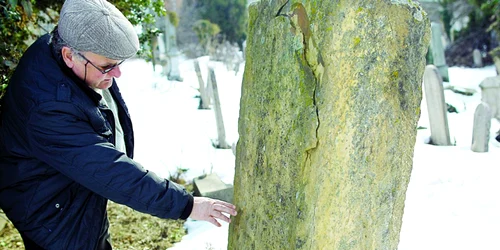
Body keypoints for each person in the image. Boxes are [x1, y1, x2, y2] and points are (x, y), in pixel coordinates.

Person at [0, 0, 237, 249]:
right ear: (69, 55)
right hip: (52, 216)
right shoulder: (48, 110)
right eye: (107, 66)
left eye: (118, 63)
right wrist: (187, 205)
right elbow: (108, 170)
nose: (117, 75)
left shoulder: (57, 51)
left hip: (65, 190)